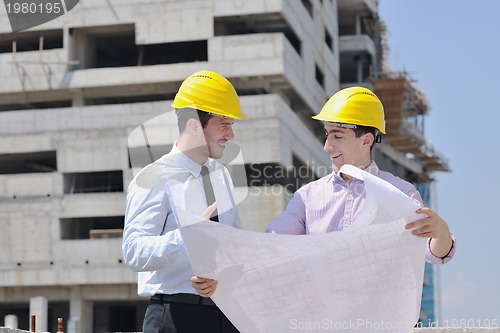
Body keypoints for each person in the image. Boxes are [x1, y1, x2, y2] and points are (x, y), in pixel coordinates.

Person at [266, 86, 455, 264]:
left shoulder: (400, 193)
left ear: (366, 140)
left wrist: (442, 234)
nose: (326, 146)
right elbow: (270, 246)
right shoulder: (307, 197)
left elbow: (431, 252)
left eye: (337, 136)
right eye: (327, 134)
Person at [122, 70, 246, 333]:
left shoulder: (221, 175)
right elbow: (134, 252)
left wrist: (222, 275)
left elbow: (233, 243)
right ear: (193, 125)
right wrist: (188, 235)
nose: (230, 135)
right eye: (223, 124)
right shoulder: (154, 177)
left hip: (225, 313)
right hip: (174, 316)